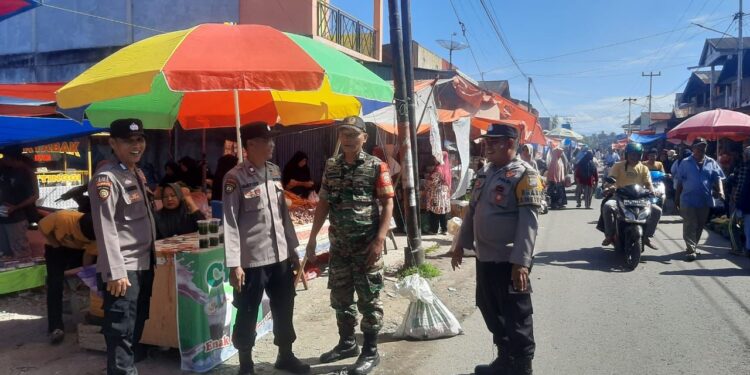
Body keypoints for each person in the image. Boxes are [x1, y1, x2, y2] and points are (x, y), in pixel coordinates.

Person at [305, 116, 394, 375]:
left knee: (369, 299)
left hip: (367, 247)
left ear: (364, 137)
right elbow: (323, 203)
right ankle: (346, 343)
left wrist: (379, 239)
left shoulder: (377, 166)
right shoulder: (332, 166)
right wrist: (312, 238)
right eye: (344, 134)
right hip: (340, 247)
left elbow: (387, 203)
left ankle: (370, 350)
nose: (348, 139)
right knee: (341, 298)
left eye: (354, 134)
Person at [452, 123, 543, 375]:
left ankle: (522, 366)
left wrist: (521, 262)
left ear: (511, 144)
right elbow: (472, 210)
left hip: (509, 261)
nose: (487, 146)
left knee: (517, 315)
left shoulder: (526, 175)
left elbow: (529, 222)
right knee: (488, 306)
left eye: (494, 141)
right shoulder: (485, 172)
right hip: (485, 257)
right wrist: (461, 243)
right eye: (486, 141)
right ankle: (505, 360)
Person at [222, 122, 308, 375]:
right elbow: (230, 222)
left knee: (285, 306)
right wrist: (234, 263)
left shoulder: (274, 171)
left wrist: (294, 251)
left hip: (280, 256)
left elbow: (284, 217)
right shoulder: (234, 178)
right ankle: (246, 364)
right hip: (252, 260)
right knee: (248, 310)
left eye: (272, 140)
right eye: (266, 140)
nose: (272, 144)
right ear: (250, 144)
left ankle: (285, 355)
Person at [89, 119, 156, 374]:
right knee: (120, 334)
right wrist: (116, 271)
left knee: (134, 328)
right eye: (129, 141)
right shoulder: (106, 179)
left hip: (142, 264)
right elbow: (105, 228)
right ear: (113, 144)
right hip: (123, 271)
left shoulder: (135, 173)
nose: (136, 145)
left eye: (140, 139)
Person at [39, 208, 97, 344]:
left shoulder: (96, 233)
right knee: (55, 284)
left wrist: (85, 273)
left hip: (78, 251)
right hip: (55, 246)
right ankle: (55, 327)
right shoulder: (63, 217)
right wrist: (54, 243)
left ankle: (96, 315)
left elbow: (88, 255)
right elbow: (42, 225)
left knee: (97, 273)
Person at [601, 143, 661, 250]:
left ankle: (647, 236)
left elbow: (648, 183)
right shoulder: (618, 165)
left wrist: (653, 191)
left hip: (640, 198)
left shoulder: (644, 168)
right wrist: (609, 187)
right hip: (620, 196)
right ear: (627, 155)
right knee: (607, 206)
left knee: (657, 210)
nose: (634, 157)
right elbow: (611, 179)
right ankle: (609, 235)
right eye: (632, 155)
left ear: (641, 156)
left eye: (637, 155)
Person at [673, 138, 725, 261]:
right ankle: (691, 249)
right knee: (690, 223)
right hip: (687, 199)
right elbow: (680, 182)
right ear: (693, 148)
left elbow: (717, 178)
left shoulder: (711, 162)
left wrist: (721, 191)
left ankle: (693, 246)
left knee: (700, 225)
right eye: (699, 146)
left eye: (704, 146)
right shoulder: (685, 162)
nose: (701, 149)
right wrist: (676, 199)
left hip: (704, 199)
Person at [0, 148, 38, 259]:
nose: (3, 159)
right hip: (2, 218)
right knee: (4, 253)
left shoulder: (27, 172)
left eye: (5, 157)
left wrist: (15, 207)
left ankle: (24, 272)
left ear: (12, 158)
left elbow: (35, 196)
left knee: (20, 252)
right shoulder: (3, 168)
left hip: (17, 218)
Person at [425, 151, 452, 235]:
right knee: (443, 212)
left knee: (434, 212)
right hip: (444, 194)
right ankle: (444, 229)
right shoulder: (446, 168)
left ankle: (434, 230)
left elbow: (432, 182)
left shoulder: (438, 169)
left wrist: (426, 183)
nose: (435, 159)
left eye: (437, 157)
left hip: (437, 194)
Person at [731, 146, 750, 257]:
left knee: (733, 225)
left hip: (743, 204)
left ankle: (739, 248)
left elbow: (741, 186)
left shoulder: (744, 167)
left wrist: (738, 203)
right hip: (743, 202)